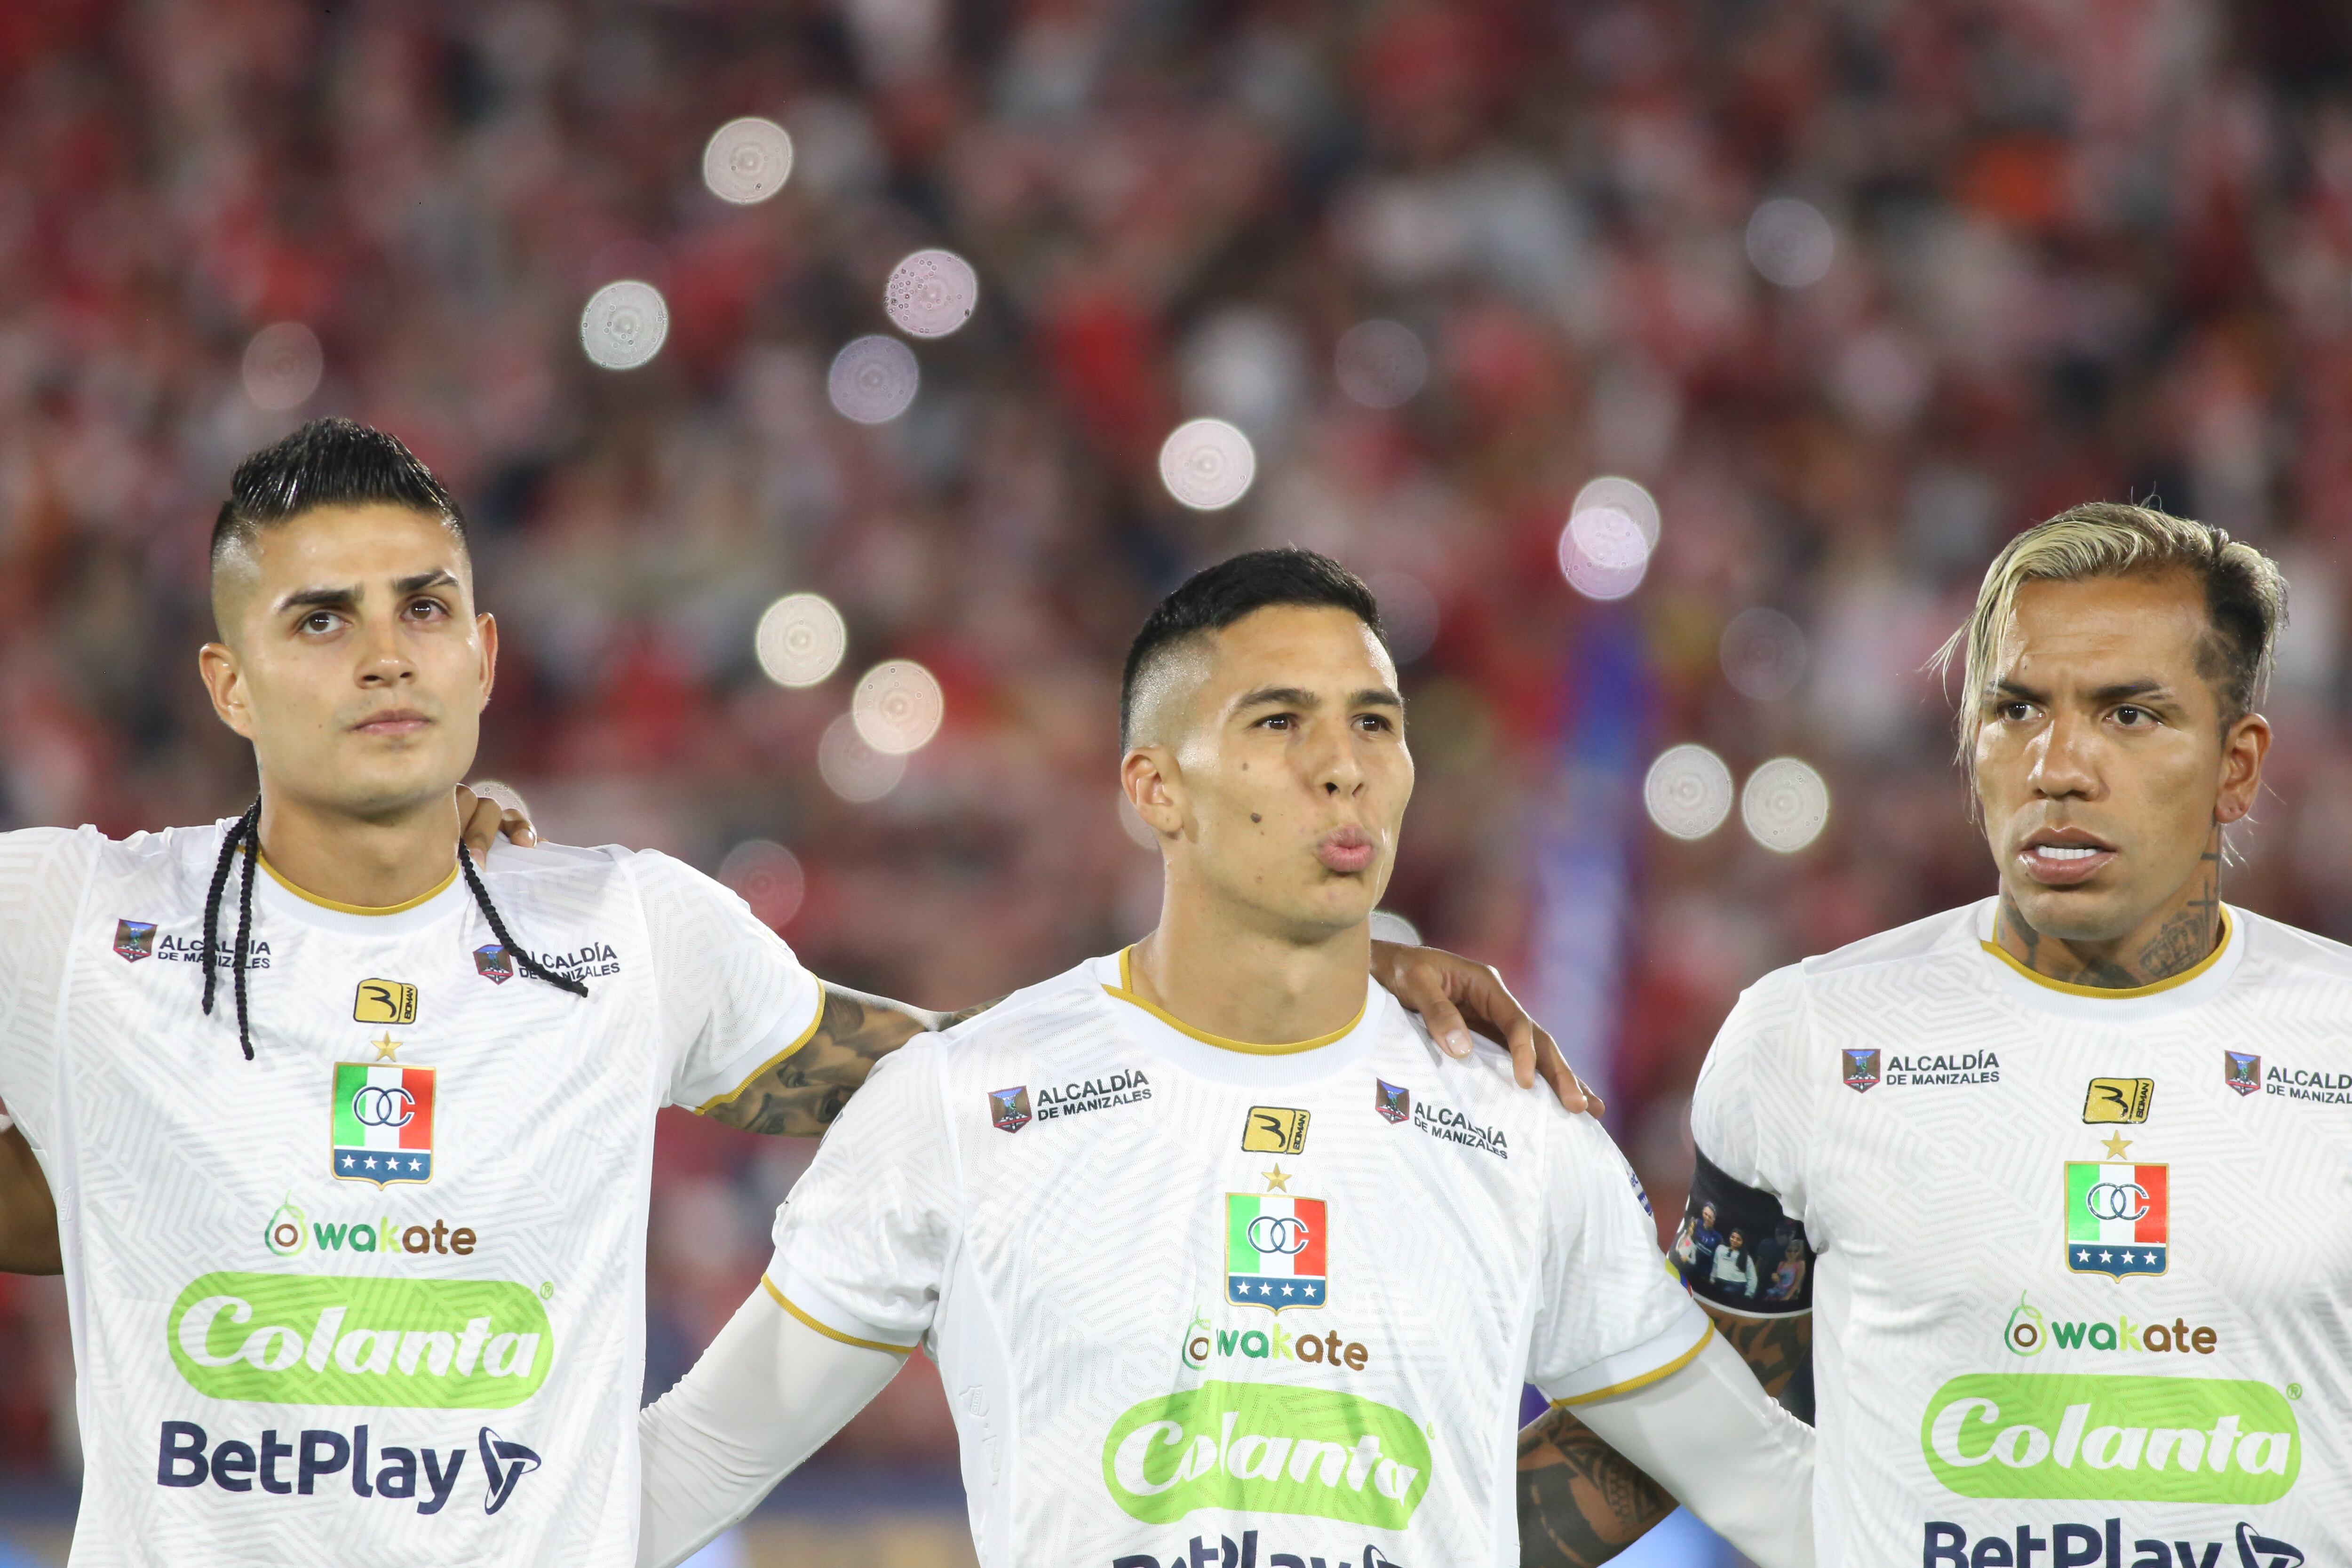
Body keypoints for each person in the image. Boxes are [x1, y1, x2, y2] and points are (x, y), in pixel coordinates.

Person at [0, 421, 1575, 1565]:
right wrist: (148, 1183)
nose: (383, 658)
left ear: (483, 653)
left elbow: (984, 1099)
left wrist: (1291, 982)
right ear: (227, 682)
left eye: (421, 609)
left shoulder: (628, 931)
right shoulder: (79, 919)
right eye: (319, 621)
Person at [633, 549, 1814, 1568]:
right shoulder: (960, 1104)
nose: (1342, 764)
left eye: (1373, 722)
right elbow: (697, 1458)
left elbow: (1754, 1474)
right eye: (1277, 721)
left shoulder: (1516, 1121)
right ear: (1155, 789)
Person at [1518, 503, 2350, 1566]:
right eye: (2014, 710)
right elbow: (1675, 1439)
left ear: (2238, 766)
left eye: (2129, 715)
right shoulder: (1812, 1039)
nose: (2059, 766)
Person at [1706, 1229, 1757, 1302]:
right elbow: (1715, 1265)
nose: (1735, 1240)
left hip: (1735, 1286)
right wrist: (1712, 1279)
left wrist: (1749, 1295)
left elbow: (1752, 1277)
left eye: (1738, 1239)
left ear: (1743, 1242)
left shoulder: (1746, 1258)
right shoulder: (1721, 1249)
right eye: (1733, 1237)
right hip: (1719, 1282)